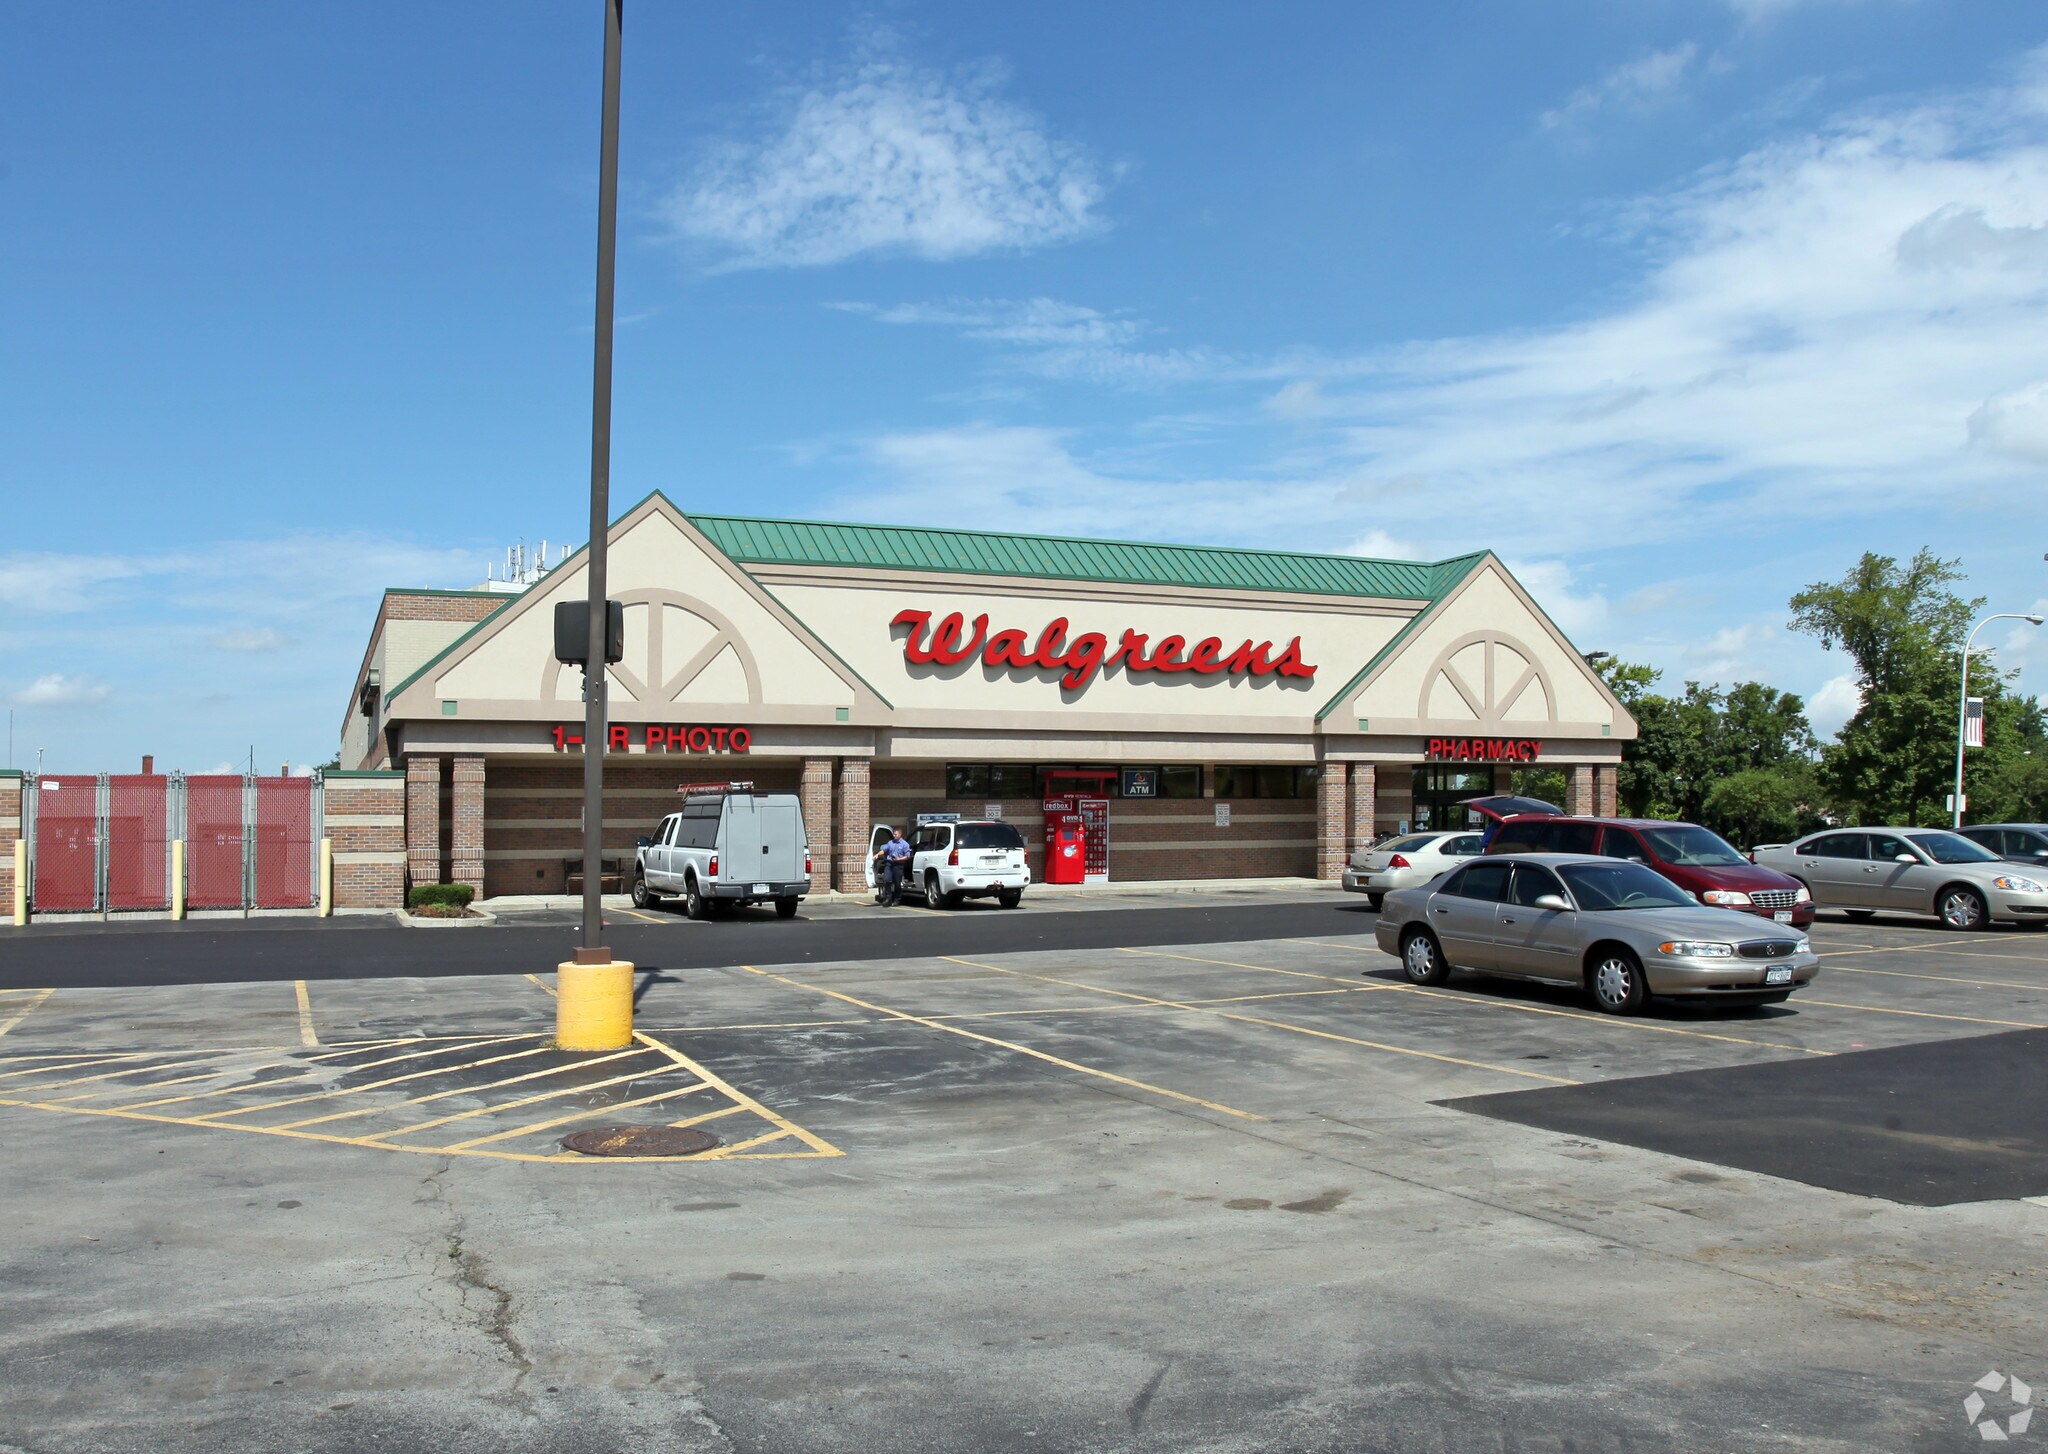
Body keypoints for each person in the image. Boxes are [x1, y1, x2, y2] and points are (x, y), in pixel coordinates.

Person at [874, 827, 914, 906]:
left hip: (898, 865)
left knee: (897, 883)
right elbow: (884, 850)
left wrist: (899, 859)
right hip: (889, 863)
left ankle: (897, 900)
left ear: (900, 834)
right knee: (887, 880)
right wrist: (877, 854)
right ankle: (888, 899)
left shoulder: (905, 844)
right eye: (893, 834)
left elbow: (907, 856)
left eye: (895, 834)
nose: (894, 836)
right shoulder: (890, 843)